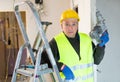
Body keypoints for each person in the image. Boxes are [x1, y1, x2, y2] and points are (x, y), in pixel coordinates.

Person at [41, 9, 109, 82]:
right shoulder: (56, 42)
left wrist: (101, 46)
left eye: (74, 24)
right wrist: (61, 67)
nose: (71, 28)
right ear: (61, 26)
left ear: (77, 25)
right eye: (67, 24)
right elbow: (42, 60)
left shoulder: (86, 39)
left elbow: (96, 60)